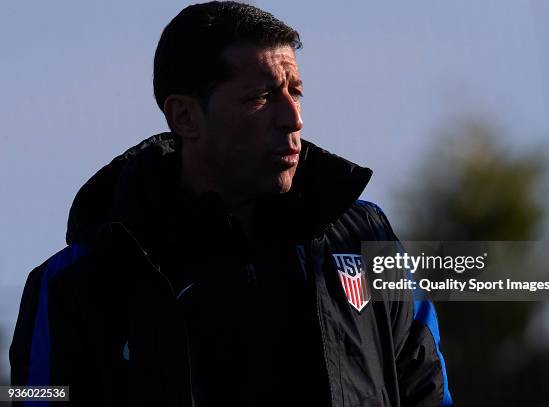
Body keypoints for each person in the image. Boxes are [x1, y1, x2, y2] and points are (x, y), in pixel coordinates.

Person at [10, 2, 452, 406]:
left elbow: (427, 390)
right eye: (260, 98)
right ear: (184, 116)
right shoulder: (75, 284)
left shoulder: (364, 239)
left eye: (294, 91)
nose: (292, 118)